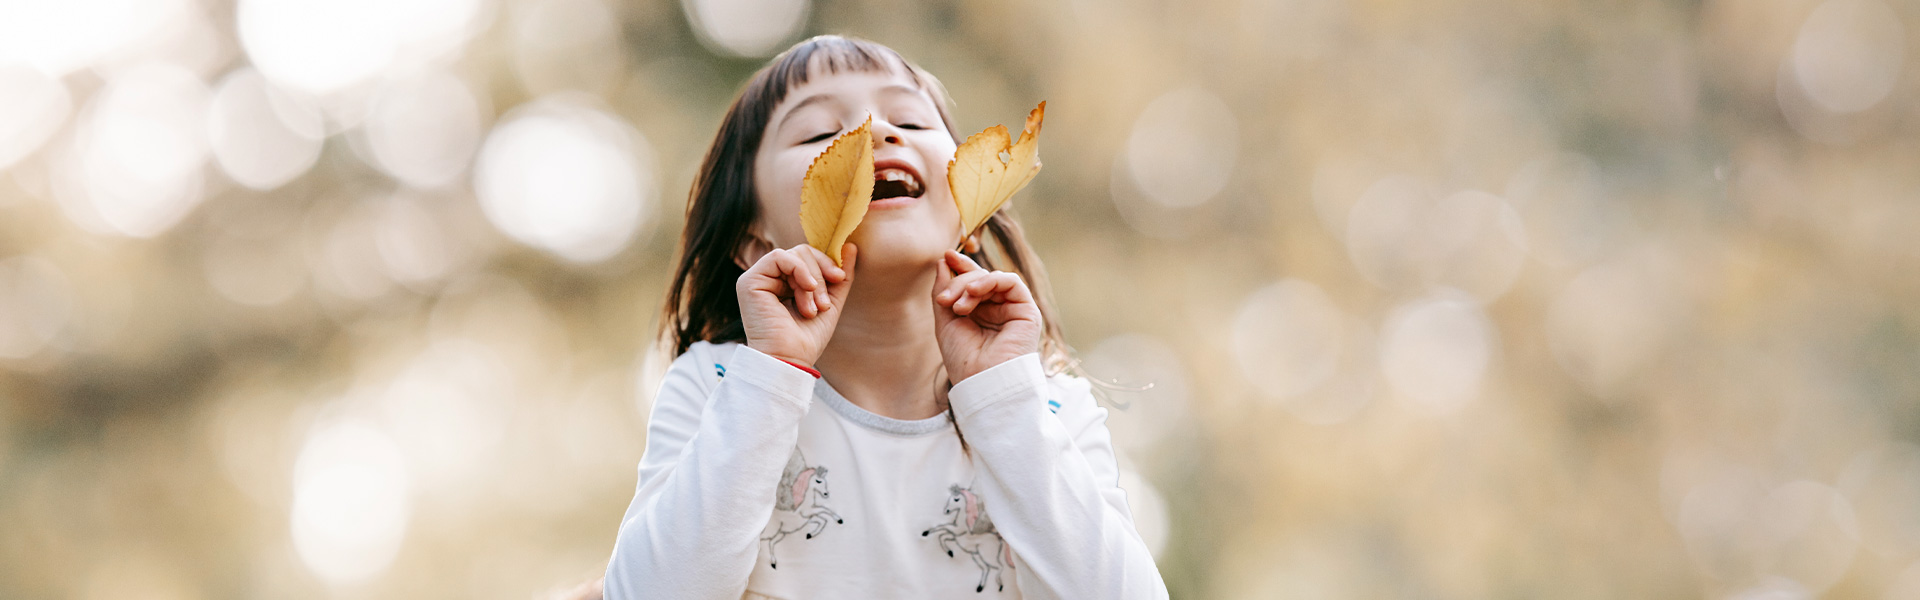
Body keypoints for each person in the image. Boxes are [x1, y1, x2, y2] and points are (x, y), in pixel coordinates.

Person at [603, 35, 1168, 599]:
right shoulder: (717, 386)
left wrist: (1001, 397)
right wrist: (771, 374)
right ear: (755, 243)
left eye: (913, 121)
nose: (876, 130)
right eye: (820, 133)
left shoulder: (1047, 407)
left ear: (972, 212)